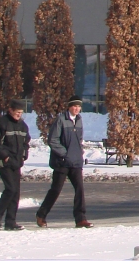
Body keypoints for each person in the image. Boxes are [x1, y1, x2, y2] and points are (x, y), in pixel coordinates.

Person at [36, 95, 92, 228]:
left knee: (79, 189)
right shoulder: (61, 120)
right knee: (56, 190)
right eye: (74, 106)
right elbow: (53, 140)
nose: (77, 109)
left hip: (75, 162)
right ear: (69, 107)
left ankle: (80, 219)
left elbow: (79, 140)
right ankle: (41, 214)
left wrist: (79, 153)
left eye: (79, 106)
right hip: (62, 162)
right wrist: (64, 154)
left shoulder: (79, 120)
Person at [0, 98, 30, 230]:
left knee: (16, 192)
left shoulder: (23, 125)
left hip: (17, 161)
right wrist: (4, 156)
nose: (19, 115)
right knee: (10, 189)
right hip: (4, 161)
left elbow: (26, 142)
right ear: (10, 110)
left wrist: (24, 154)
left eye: (21, 112)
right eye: (17, 112)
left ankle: (10, 222)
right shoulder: (0, 123)